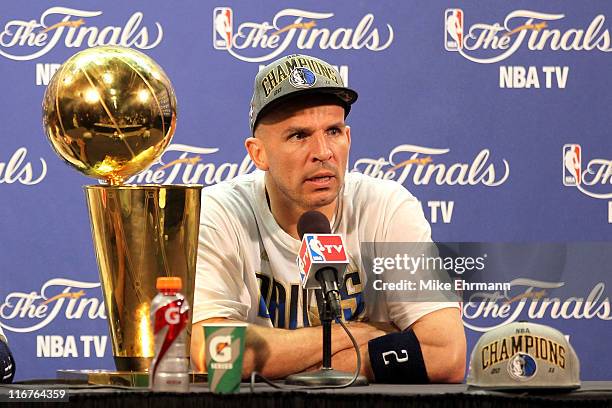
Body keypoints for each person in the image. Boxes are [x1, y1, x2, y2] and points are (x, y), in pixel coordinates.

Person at [191, 54, 466, 383]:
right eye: (299, 136)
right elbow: (214, 352)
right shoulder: (219, 212)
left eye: (333, 131)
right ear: (258, 153)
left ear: (348, 139)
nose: (323, 151)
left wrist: (288, 364)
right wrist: (360, 335)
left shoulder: (386, 207)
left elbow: (446, 355)